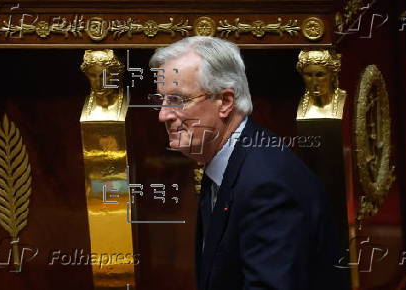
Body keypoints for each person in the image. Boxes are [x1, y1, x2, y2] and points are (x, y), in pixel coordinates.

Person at [148, 36, 346, 290]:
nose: (163, 115)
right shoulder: (232, 160)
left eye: (177, 100)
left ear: (225, 102)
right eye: (161, 101)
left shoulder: (267, 186)